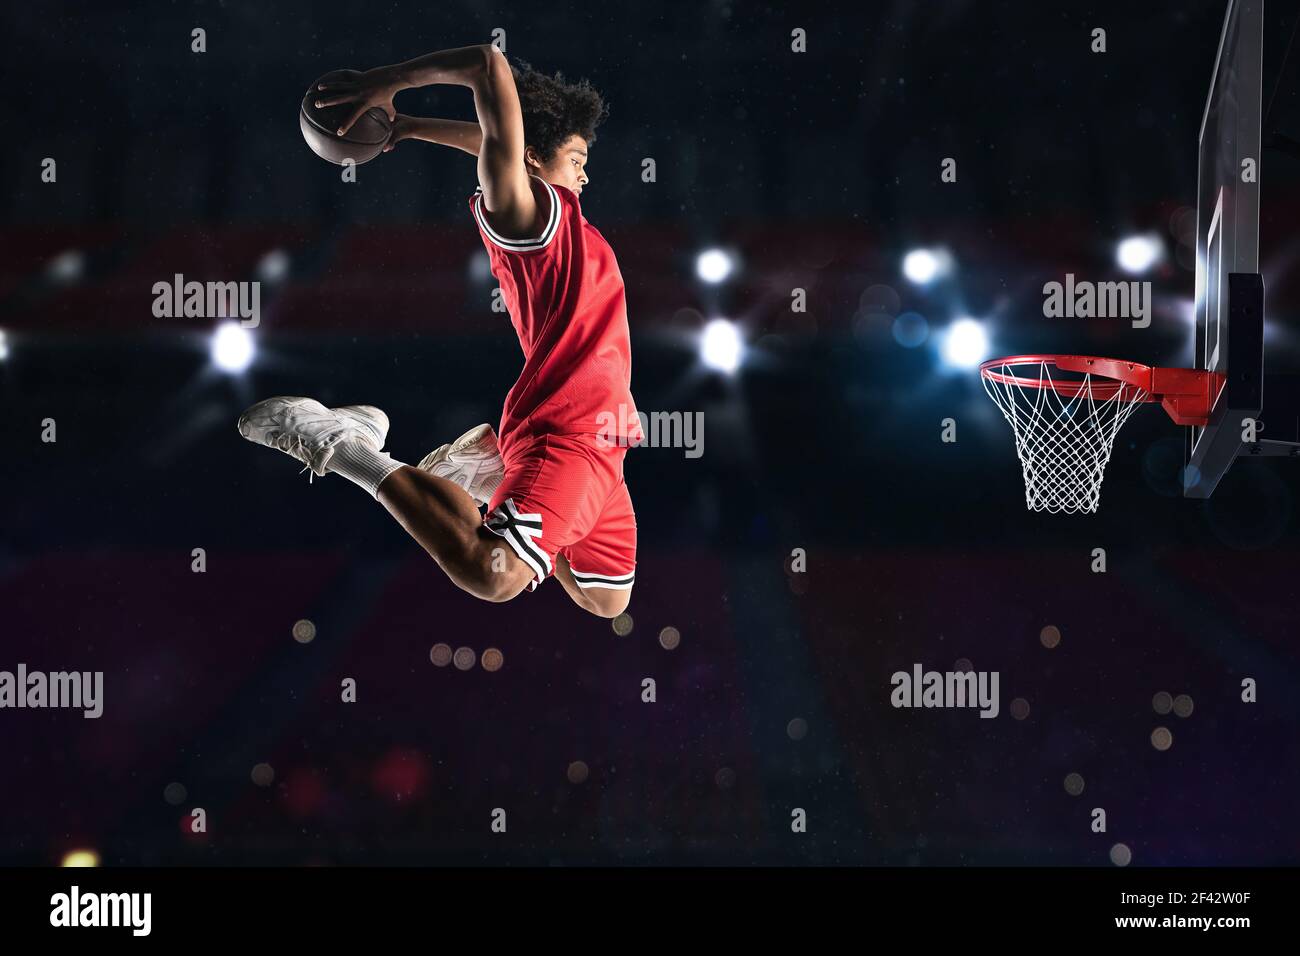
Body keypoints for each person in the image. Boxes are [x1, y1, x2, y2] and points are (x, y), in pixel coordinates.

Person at [239, 44, 642, 617]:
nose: (586, 170)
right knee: (493, 572)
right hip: (566, 433)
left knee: (604, 597)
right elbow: (486, 64)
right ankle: (345, 446)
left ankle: (498, 469)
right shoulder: (530, 217)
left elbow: (503, 145)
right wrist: (387, 81)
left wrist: (408, 126)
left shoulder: (565, 219)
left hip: (604, 438)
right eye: (576, 156)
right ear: (532, 162)